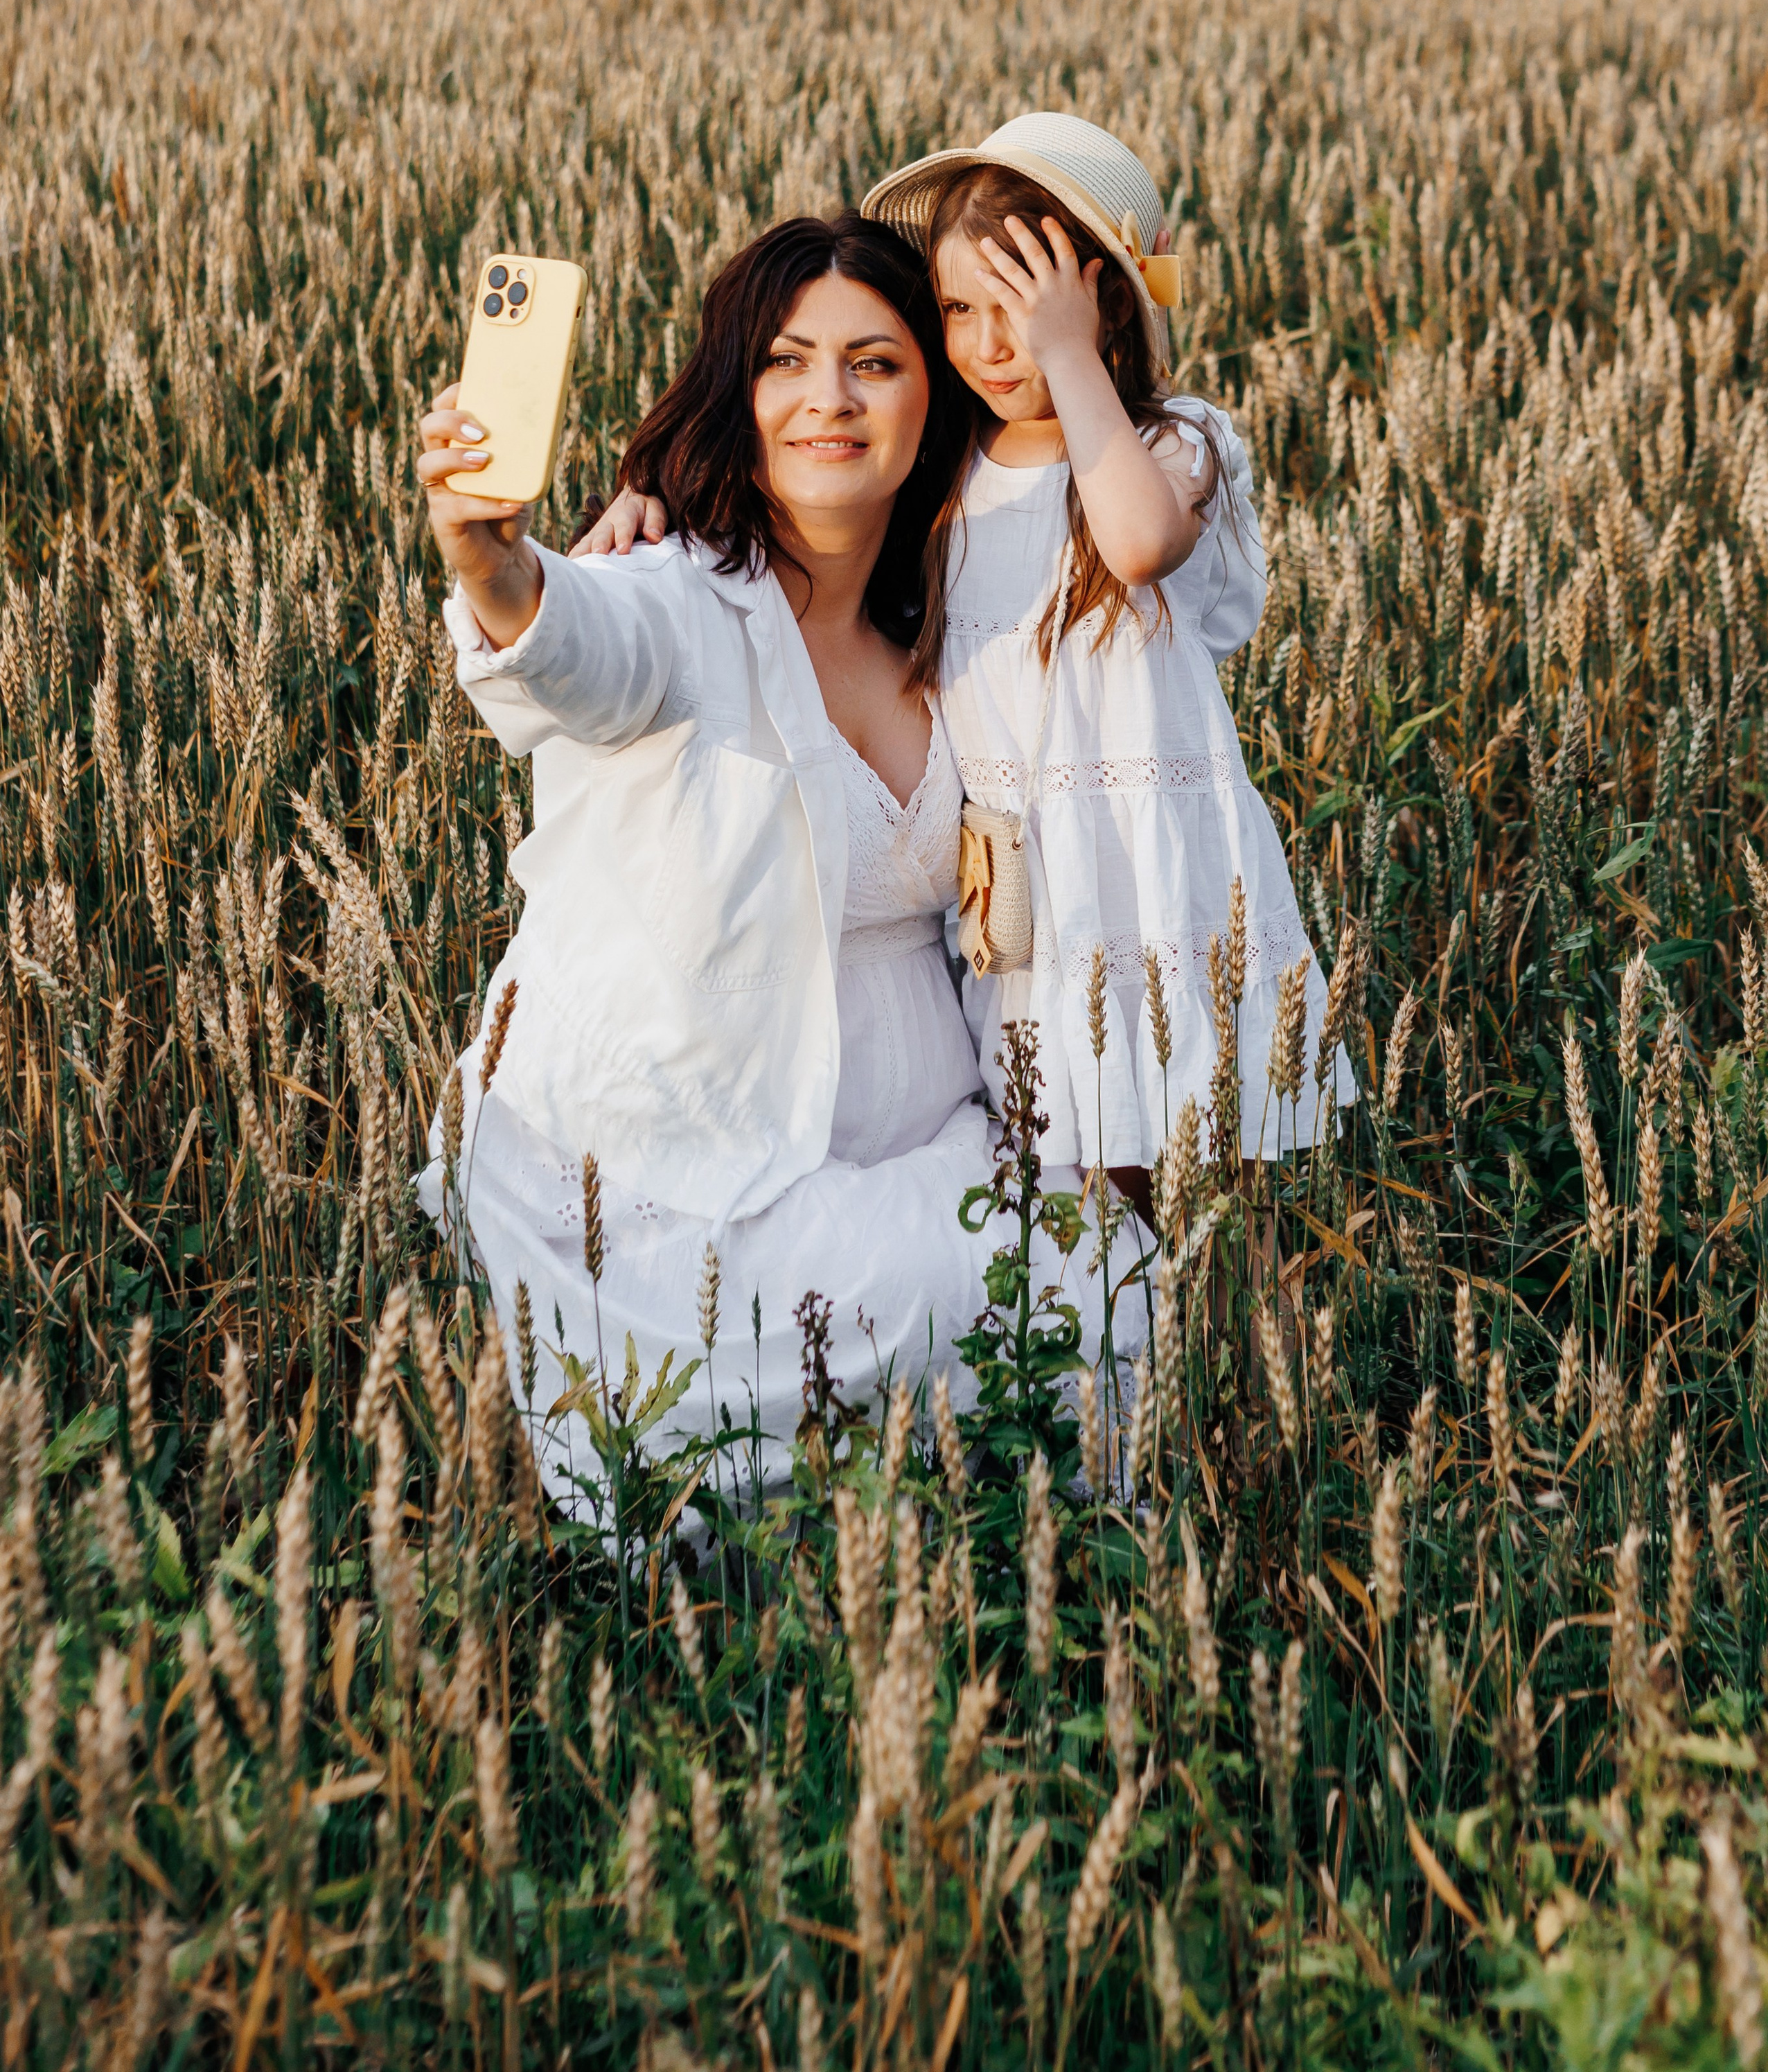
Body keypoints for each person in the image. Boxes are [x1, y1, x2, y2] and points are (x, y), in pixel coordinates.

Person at [416, 211, 1115, 1513]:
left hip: (939, 1151)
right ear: (739, 396)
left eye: (876, 362)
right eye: (786, 363)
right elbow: (575, 646)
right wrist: (494, 560)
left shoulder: (964, 609)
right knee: (839, 1410)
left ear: (936, 398)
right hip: (683, 1184)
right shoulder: (679, 592)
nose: (828, 400)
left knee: (1120, 1293)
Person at [593, 116, 1354, 1191]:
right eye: (960, 311)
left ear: (1105, 306)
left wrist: (1073, 353)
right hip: (1025, 919)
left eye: (1022, 313)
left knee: (1217, 1195)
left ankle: (1241, 1358)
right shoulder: (952, 477)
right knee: (1085, 1211)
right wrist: (655, 492)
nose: (993, 345)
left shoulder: (1171, 445)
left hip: (1159, 888)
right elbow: (806, 476)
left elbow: (1135, 543)